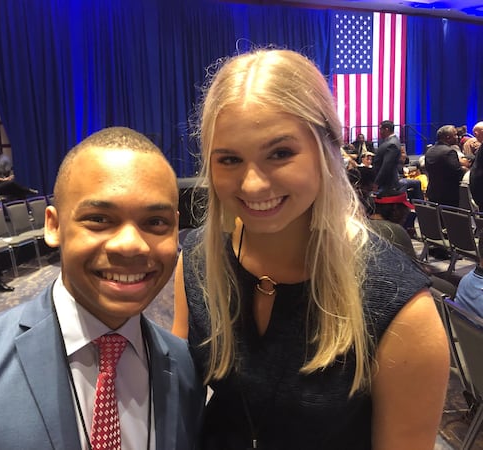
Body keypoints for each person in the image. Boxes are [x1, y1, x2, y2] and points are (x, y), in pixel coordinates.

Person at [172, 49, 448, 449]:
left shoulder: (401, 310)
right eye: (230, 159)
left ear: (327, 150)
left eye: (280, 153)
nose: (252, 185)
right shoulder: (198, 261)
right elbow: (180, 405)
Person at [0, 126, 204, 449]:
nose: (130, 245)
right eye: (99, 219)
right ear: (53, 226)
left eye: (155, 223)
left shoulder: (185, 367)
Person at [425, 125, 464, 207]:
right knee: (451, 219)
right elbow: (458, 173)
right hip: (448, 196)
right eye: (455, 135)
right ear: (448, 137)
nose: (457, 137)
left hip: (433, 192)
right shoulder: (449, 152)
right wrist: (465, 169)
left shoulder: (430, 150)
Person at [372, 120, 402, 192]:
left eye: (380, 129)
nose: (379, 132)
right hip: (386, 183)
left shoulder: (392, 144)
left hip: (387, 184)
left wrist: (377, 182)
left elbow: (386, 166)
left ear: (386, 129)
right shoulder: (391, 141)